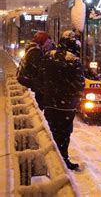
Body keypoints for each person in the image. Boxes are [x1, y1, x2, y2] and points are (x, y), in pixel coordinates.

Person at [41, 30, 84, 170]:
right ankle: (62, 160)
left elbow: (40, 78)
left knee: (51, 132)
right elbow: (79, 84)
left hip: (50, 104)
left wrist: (47, 95)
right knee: (64, 134)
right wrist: (72, 95)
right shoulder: (74, 60)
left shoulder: (48, 56)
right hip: (66, 106)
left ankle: (48, 160)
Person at [17, 31, 55, 110]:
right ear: (42, 41)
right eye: (48, 42)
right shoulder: (36, 52)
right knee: (40, 106)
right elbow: (38, 72)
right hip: (31, 85)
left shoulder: (33, 49)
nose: (50, 45)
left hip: (28, 82)